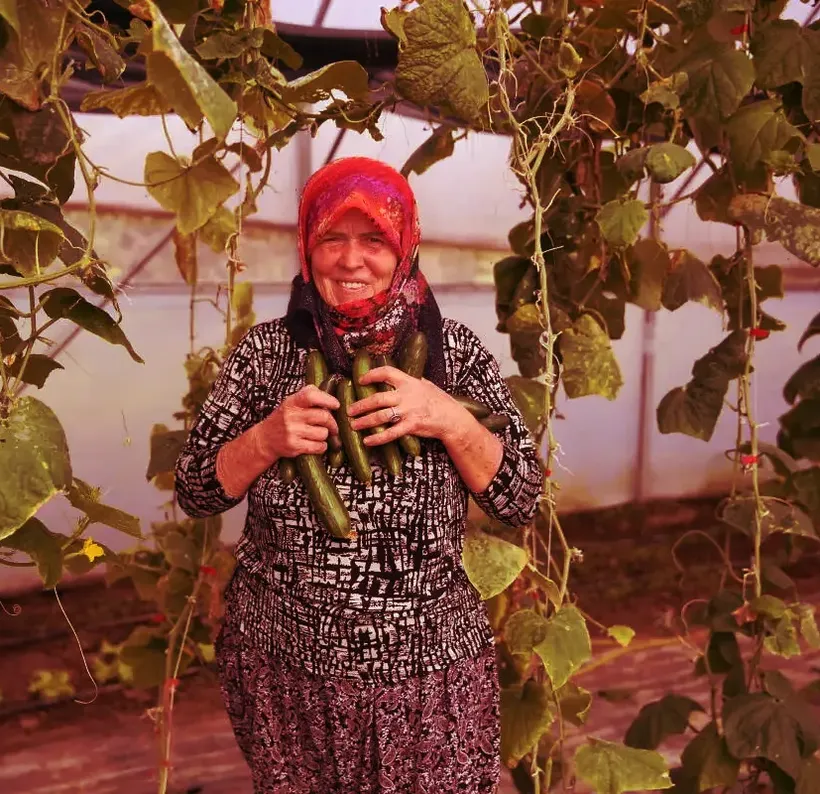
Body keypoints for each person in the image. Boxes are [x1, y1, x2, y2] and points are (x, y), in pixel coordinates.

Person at [174, 157, 544, 794]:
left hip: (430, 673)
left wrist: (451, 420)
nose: (350, 261)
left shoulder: (452, 354)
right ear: (306, 246)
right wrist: (264, 439)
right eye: (331, 239)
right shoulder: (265, 355)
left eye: (374, 239)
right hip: (286, 665)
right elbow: (195, 491)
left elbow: (520, 499)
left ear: (405, 245)